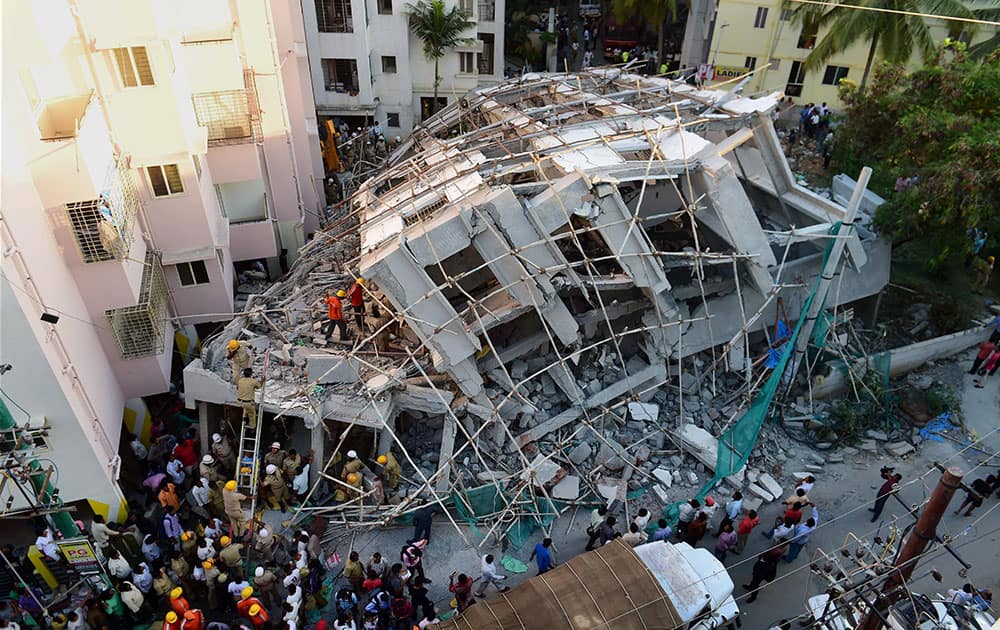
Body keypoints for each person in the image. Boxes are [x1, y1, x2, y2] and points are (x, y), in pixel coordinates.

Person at [743, 538, 789, 603]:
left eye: (779, 541)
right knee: (754, 581)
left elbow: (762, 573)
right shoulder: (780, 549)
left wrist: (758, 575)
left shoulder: (768, 562)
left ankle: (753, 597)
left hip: (760, 572)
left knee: (755, 584)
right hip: (761, 569)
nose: (777, 541)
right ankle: (751, 586)